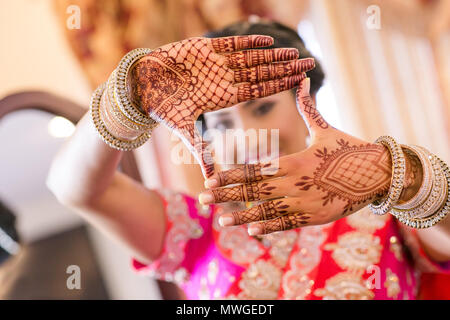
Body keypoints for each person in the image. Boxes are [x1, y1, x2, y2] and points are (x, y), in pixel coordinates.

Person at [47, 20, 450, 300]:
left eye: (260, 110)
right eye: (221, 122)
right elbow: (74, 190)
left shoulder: (383, 211)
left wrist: (396, 174)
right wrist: (127, 97)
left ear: (306, 105)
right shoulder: (200, 228)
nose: (243, 136)